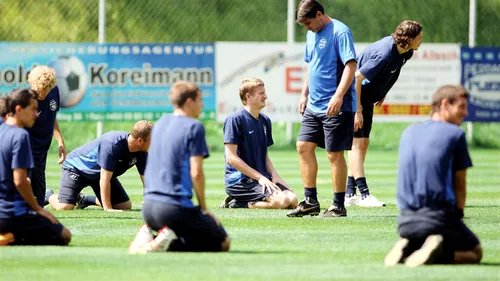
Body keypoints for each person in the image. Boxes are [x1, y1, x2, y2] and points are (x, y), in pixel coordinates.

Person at [384, 85, 482, 267]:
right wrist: (457, 217)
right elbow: (460, 184)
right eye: (461, 107)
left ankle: (408, 244)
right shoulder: (456, 134)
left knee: (426, 233)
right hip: (438, 218)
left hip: (405, 221)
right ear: (445, 104)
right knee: (475, 252)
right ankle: (435, 255)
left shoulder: (408, 132)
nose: (466, 112)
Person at [129, 81, 230, 254]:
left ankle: (149, 233)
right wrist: (204, 209)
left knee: (189, 234)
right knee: (223, 243)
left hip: (149, 208)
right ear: (189, 102)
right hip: (172, 208)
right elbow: (196, 172)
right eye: (200, 100)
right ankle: (157, 240)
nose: (202, 104)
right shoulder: (194, 127)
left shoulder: (160, 123)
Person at [287, 0, 359, 218]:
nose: (307, 28)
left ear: (319, 14)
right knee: (303, 146)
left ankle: (338, 205)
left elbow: (351, 65)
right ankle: (310, 201)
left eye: (309, 23)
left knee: (333, 154)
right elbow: (311, 64)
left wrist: (338, 95)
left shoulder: (340, 31)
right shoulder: (311, 34)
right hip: (314, 104)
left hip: (336, 105)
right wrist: (303, 93)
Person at [346, 21, 423, 208]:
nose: (421, 41)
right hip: (354, 96)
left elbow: (394, 72)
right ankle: (364, 194)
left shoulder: (407, 52)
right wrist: (357, 111)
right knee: (357, 144)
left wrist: (383, 92)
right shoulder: (384, 53)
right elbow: (355, 78)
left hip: (367, 98)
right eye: (419, 38)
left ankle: (349, 193)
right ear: (409, 38)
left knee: (364, 143)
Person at [0, 88, 71, 246]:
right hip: (11, 214)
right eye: (33, 109)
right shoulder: (21, 135)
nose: (37, 114)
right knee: (65, 235)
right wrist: (39, 209)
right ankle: (10, 237)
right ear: (18, 109)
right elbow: (20, 181)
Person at [219, 78, 299, 209]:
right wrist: (260, 178)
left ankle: (241, 200)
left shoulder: (265, 120)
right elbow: (231, 158)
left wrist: (275, 176)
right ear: (248, 96)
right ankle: (238, 203)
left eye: (265, 93)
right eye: (261, 93)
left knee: (293, 200)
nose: (265, 96)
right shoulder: (234, 119)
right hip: (240, 181)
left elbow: (265, 156)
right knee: (282, 202)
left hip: (261, 178)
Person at [45, 120, 153, 211]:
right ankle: (48, 194)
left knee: (124, 206)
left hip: (99, 175)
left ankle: (84, 200)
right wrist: (108, 208)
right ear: (140, 140)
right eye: (151, 140)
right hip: (76, 168)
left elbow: (146, 179)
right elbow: (104, 178)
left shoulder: (142, 151)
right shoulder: (113, 144)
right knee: (65, 206)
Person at [26, 65, 66, 206]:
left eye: (45, 90)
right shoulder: (26, 99)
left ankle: (40, 204)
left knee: (39, 184)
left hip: (44, 146)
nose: (42, 94)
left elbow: (52, 117)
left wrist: (60, 142)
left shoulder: (54, 92)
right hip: (27, 144)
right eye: (39, 91)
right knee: (26, 178)